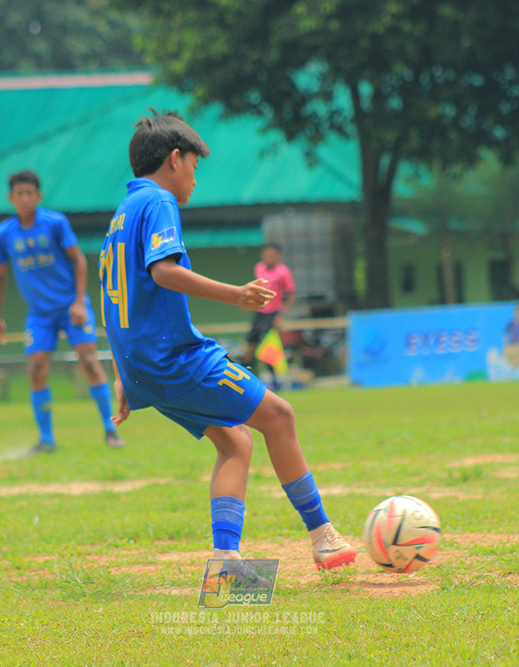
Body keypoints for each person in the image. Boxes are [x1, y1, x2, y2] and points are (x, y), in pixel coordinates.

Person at [98, 110, 356, 570]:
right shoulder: (159, 201)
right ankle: (323, 537)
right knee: (279, 416)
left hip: (143, 368)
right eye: (194, 166)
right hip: (175, 359)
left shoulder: (121, 215)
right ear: (175, 159)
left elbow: (114, 297)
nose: (195, 179)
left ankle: (227, 563)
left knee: (236, 442)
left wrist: (122, 372)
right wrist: (236, 294)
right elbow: (164, 272)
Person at [0, 169, 125, 456]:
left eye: (29, 193)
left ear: (38, 196)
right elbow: (0, 275)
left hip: (70, 306)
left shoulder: (55, 223)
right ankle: (46, 440)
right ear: (10, 198)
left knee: (88, 360)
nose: (25, 199)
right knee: (36, 368)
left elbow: (79, 261)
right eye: (19, 194)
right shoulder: (4, 233)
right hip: (40, 314)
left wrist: (79, 302)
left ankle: (110, 429)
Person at [241, 242, 296, 377]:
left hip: (273, 313)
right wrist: (247, 303)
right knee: (251, 343)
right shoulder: (259, 268)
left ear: (278, 256)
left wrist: (280, 316)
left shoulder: (283, 272)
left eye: (272, 255)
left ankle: (274, 380)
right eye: (267, 255)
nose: (269, 258)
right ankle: (246, 374)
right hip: (259, 311)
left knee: (269, 347)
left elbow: (291, 295)